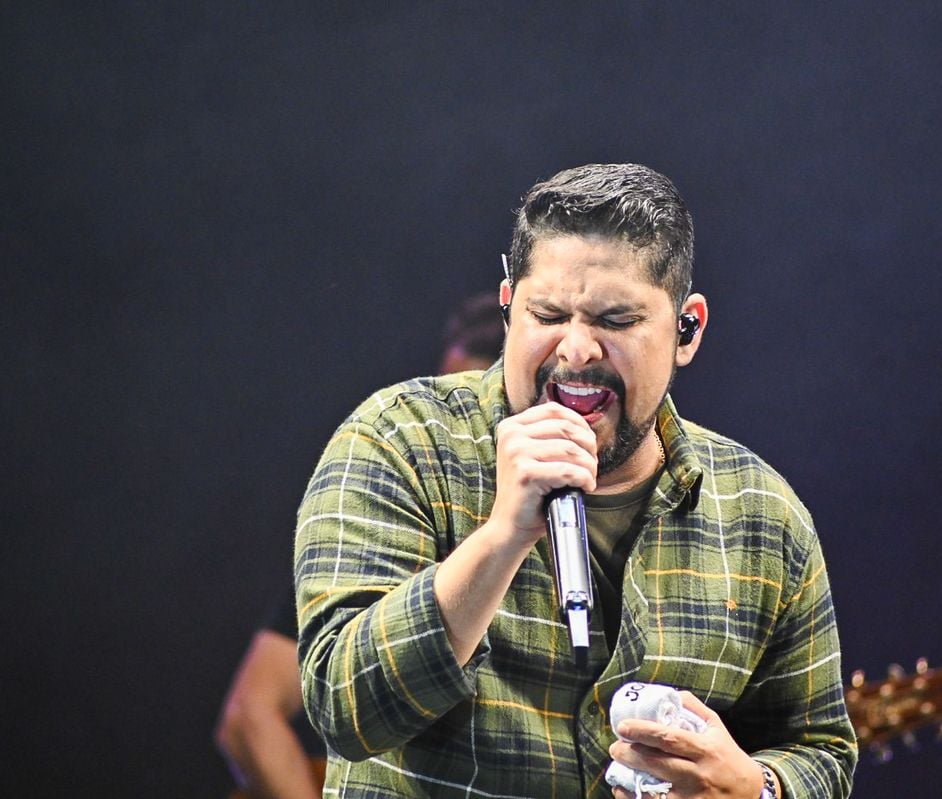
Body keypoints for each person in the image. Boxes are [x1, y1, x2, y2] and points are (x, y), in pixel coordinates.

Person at [294, 163, 857, 798]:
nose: (577, 349)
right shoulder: (401, 443)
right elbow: (343, 708)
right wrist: (503, 535)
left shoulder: (763, 514)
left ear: (687, 329)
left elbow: (822, 751)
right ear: (509, 309)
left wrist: (759, 789)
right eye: (547, 313)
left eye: (616, 321)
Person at [214, 293, 504, 799]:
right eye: (439, 394)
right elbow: (248, 717)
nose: (440, 421)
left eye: (463, 400)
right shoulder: (377, 539)